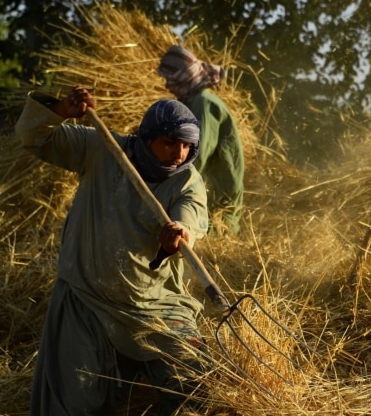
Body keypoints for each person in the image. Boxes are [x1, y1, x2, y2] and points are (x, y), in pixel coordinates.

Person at [16, 85, 210, 415]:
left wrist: (181, 234)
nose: (179, 153)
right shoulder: (101, 148)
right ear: (147, 138)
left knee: (193, 382)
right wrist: (62, 111)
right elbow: (35, 138)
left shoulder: (187, 180)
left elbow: (190, 219)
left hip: (155, 305)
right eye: (169, 142)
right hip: (87, 299)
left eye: (186, 145)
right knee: (79, 401)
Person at [158, 45, 246, 234]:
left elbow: (196, 156)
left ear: (184, 75)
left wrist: (167, 190)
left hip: (218, 202)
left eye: (170, 79)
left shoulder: (203, 104)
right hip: (211, 197)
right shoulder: (196, 102)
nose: (167, 86)